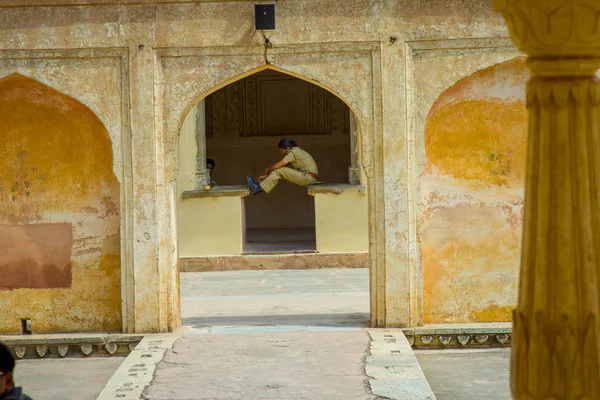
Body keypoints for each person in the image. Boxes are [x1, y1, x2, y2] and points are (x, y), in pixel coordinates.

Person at [247, 139, 318, 196]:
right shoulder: (297, 151)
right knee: (280, 171)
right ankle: (260, 188)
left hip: (307, 177)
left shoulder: (293, 152)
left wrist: (268, 169)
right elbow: (280, 168)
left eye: (282, 151)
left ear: (287, 148)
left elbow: (278, 166)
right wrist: (267, 175)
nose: (281, 153)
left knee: (281, 171)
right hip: (310, 177)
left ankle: (258, 188)